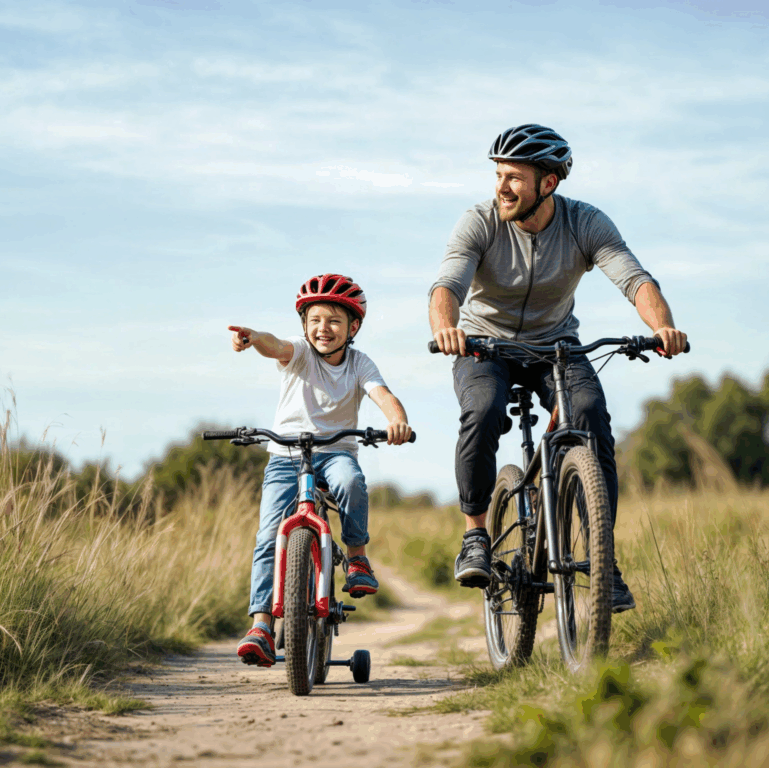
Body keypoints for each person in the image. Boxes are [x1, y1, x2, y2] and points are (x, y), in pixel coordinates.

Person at [428, 124, 687, 613]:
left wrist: (664, 327)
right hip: (484, 345)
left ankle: (602, 558)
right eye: (498, 175)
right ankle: (476, 536)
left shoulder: (585, 222)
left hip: (557, 347)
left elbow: (633, 278)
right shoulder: (478, 222)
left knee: (589, 414)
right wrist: (447, 328)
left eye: (514, 178)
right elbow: (447, 286)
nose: (501, 187)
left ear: (548, 183)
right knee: (482, 411)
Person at [228, 273, 413, 667]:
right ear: (304, 325)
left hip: (335, 451)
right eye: (314, 320)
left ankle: (358, 558)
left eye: (333, 321)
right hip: (286, 456)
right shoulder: (298, 352)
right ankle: (261, 625)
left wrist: (398, 421)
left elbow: (384, 396)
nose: (322, 329)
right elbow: (273, 345)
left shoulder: (360, 363)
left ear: (353, 327)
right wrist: (252, 337)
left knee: (351, 481)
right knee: (267, 535)